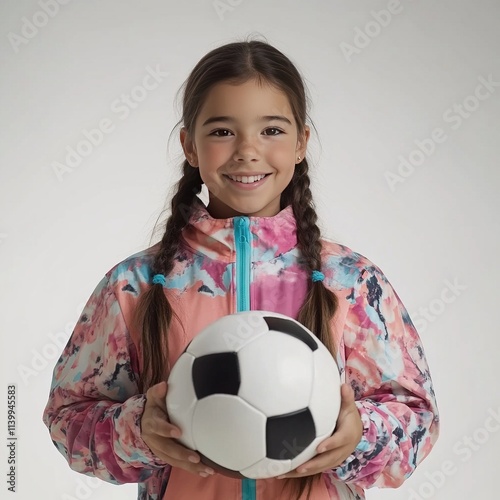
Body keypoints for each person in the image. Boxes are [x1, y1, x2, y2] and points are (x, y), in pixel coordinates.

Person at [42, 38, 439, 500]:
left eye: (271, 130)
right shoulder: (133, 285)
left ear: (300, 143)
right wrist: (137, 430)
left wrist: (359, 435)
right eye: (222, 131)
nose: (247, 151)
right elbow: (67, 418)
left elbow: (417, 418)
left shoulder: (352, 282)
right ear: (190, 145)